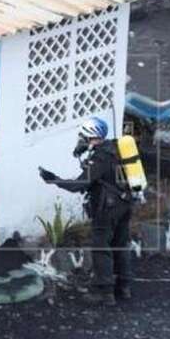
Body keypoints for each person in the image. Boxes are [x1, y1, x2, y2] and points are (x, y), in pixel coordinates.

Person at [38, 117, 133, 306]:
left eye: (82, 136)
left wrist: (53, 179)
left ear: (91, 136)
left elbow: (79, 184)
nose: (80, 139)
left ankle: (105, 292)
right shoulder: (116, 149)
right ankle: (124, 287)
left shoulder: (99, 158)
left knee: (101, 247)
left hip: (107, 209)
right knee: (120, 244)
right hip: (125, 204)